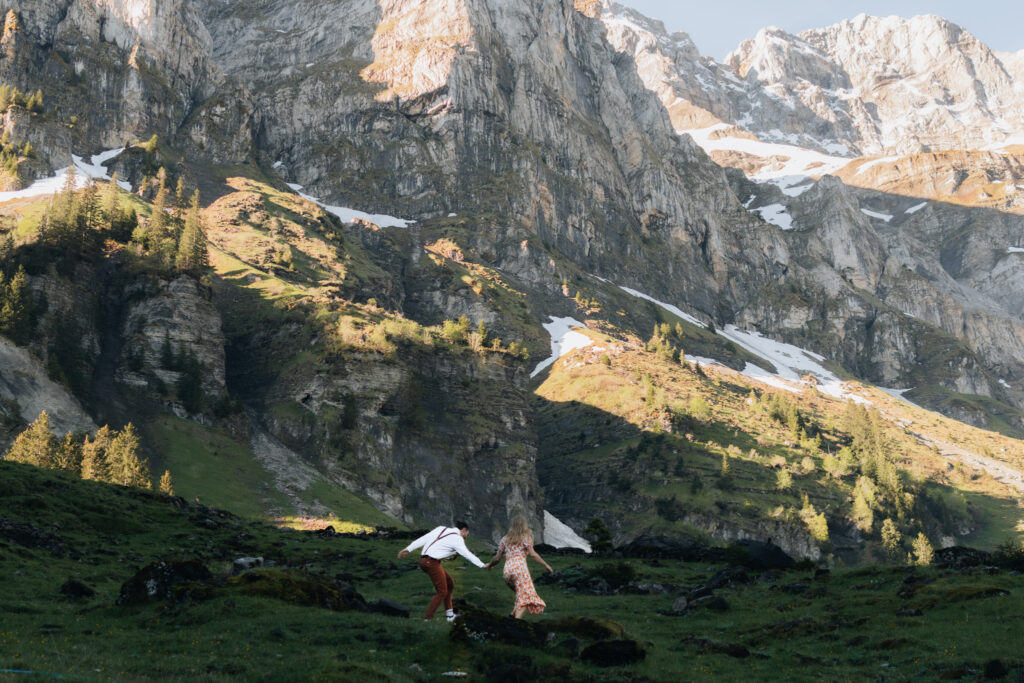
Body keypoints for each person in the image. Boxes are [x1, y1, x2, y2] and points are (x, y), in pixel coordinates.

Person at [398, 520, 486, 622]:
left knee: (450, 584)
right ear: (464, 530)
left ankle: (449, 616)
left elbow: (423, 539)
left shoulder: (441, 529)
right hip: (432, 562)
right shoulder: (458, 538)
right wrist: (482, 565)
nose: (467, 536)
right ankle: (428, 619)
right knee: (442, 591)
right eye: (467, 534)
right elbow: (467, 554)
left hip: (425, 561)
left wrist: (408, 549)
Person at [483, 515, 553, 618]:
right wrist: (546, 565)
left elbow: (497, 558)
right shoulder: (526, 538)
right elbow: (533, 554)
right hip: (520, 570)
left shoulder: (505, 539)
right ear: (524, 526)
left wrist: (490, 564)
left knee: (521, 593)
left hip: (507, 571)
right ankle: (517, 620)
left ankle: (512, 613)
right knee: (526, 595)